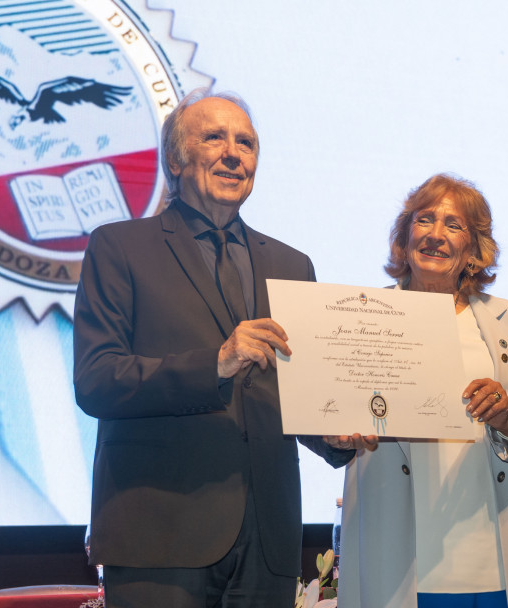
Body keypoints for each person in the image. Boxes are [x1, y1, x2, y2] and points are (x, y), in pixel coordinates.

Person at [73, 88, 353, 608]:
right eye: (214, 137)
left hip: (268, 539)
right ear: (176, 159)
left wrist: (338, 434)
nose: (233, 153)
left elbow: (297, 392)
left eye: (246, 142)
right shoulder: (118, 247)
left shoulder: (293, 266)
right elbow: (97, 380)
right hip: (161, 532)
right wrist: (216, 364)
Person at [333, 173, 508, 608]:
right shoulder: (363, 317)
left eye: (453, 225)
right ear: (404, 237)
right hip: (400, 565)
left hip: (496, 562)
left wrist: (506, 420)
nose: (436, 235)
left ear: (474, 251)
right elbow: (335, 418)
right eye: (424, 220)